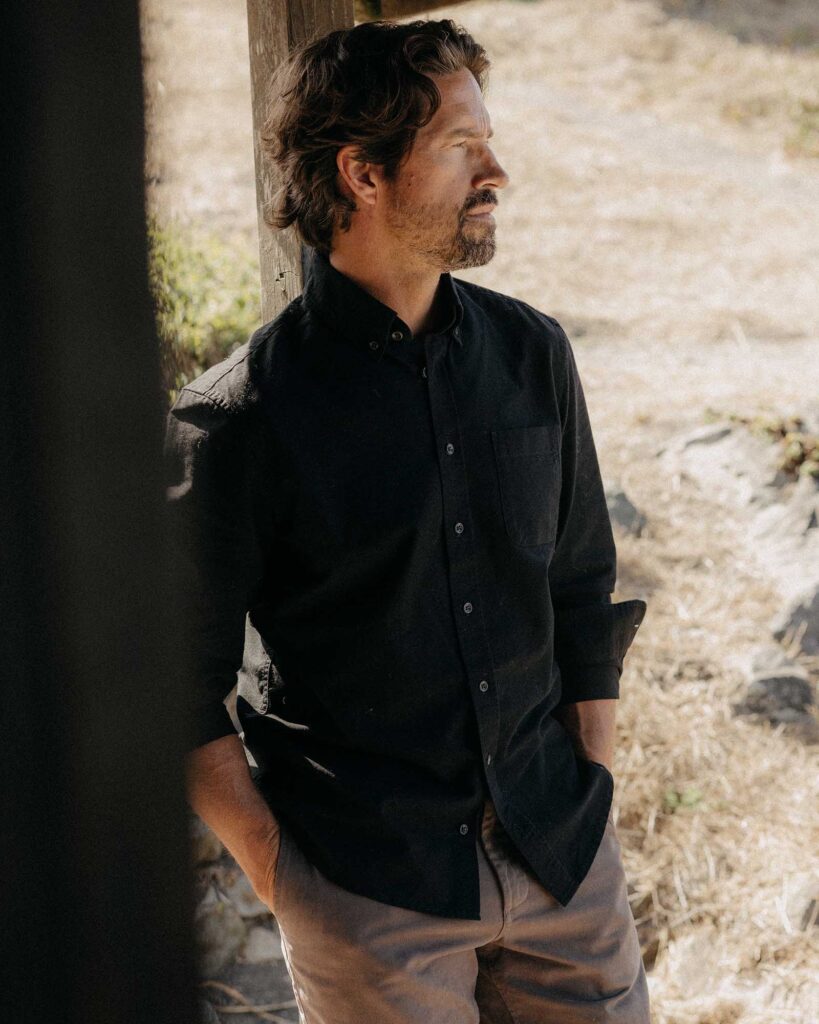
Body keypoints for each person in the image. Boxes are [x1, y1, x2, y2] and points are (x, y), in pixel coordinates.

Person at [164, 18, 650, 1024]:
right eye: (462, 147)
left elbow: (580, 590)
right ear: (363, 173)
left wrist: (590, 789)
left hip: (564, 865)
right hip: (370, 896)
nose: (496, 173)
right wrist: (285, 878)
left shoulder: (533, 356)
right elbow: (173, 684)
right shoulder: (238, 419)